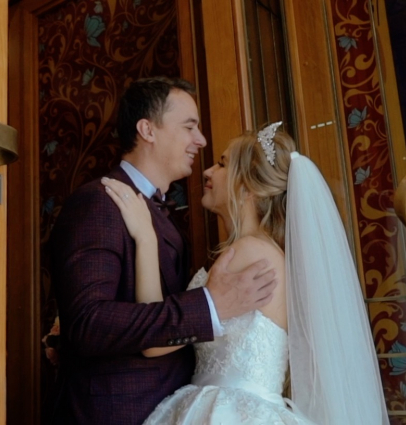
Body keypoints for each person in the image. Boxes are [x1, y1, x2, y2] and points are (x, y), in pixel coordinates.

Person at [102, 122, 389, 424]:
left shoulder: (248, 254)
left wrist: (146, 238)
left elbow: (154, 343)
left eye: (222, 164)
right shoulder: (260, 251)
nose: (208, 172)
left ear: (247, 187)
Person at [48, 77, 279, 425]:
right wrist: (210, 306)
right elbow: (89, 322)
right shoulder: (99, 202)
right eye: (189, 126)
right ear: (148, 130)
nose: (200, 140)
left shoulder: (167, 222)